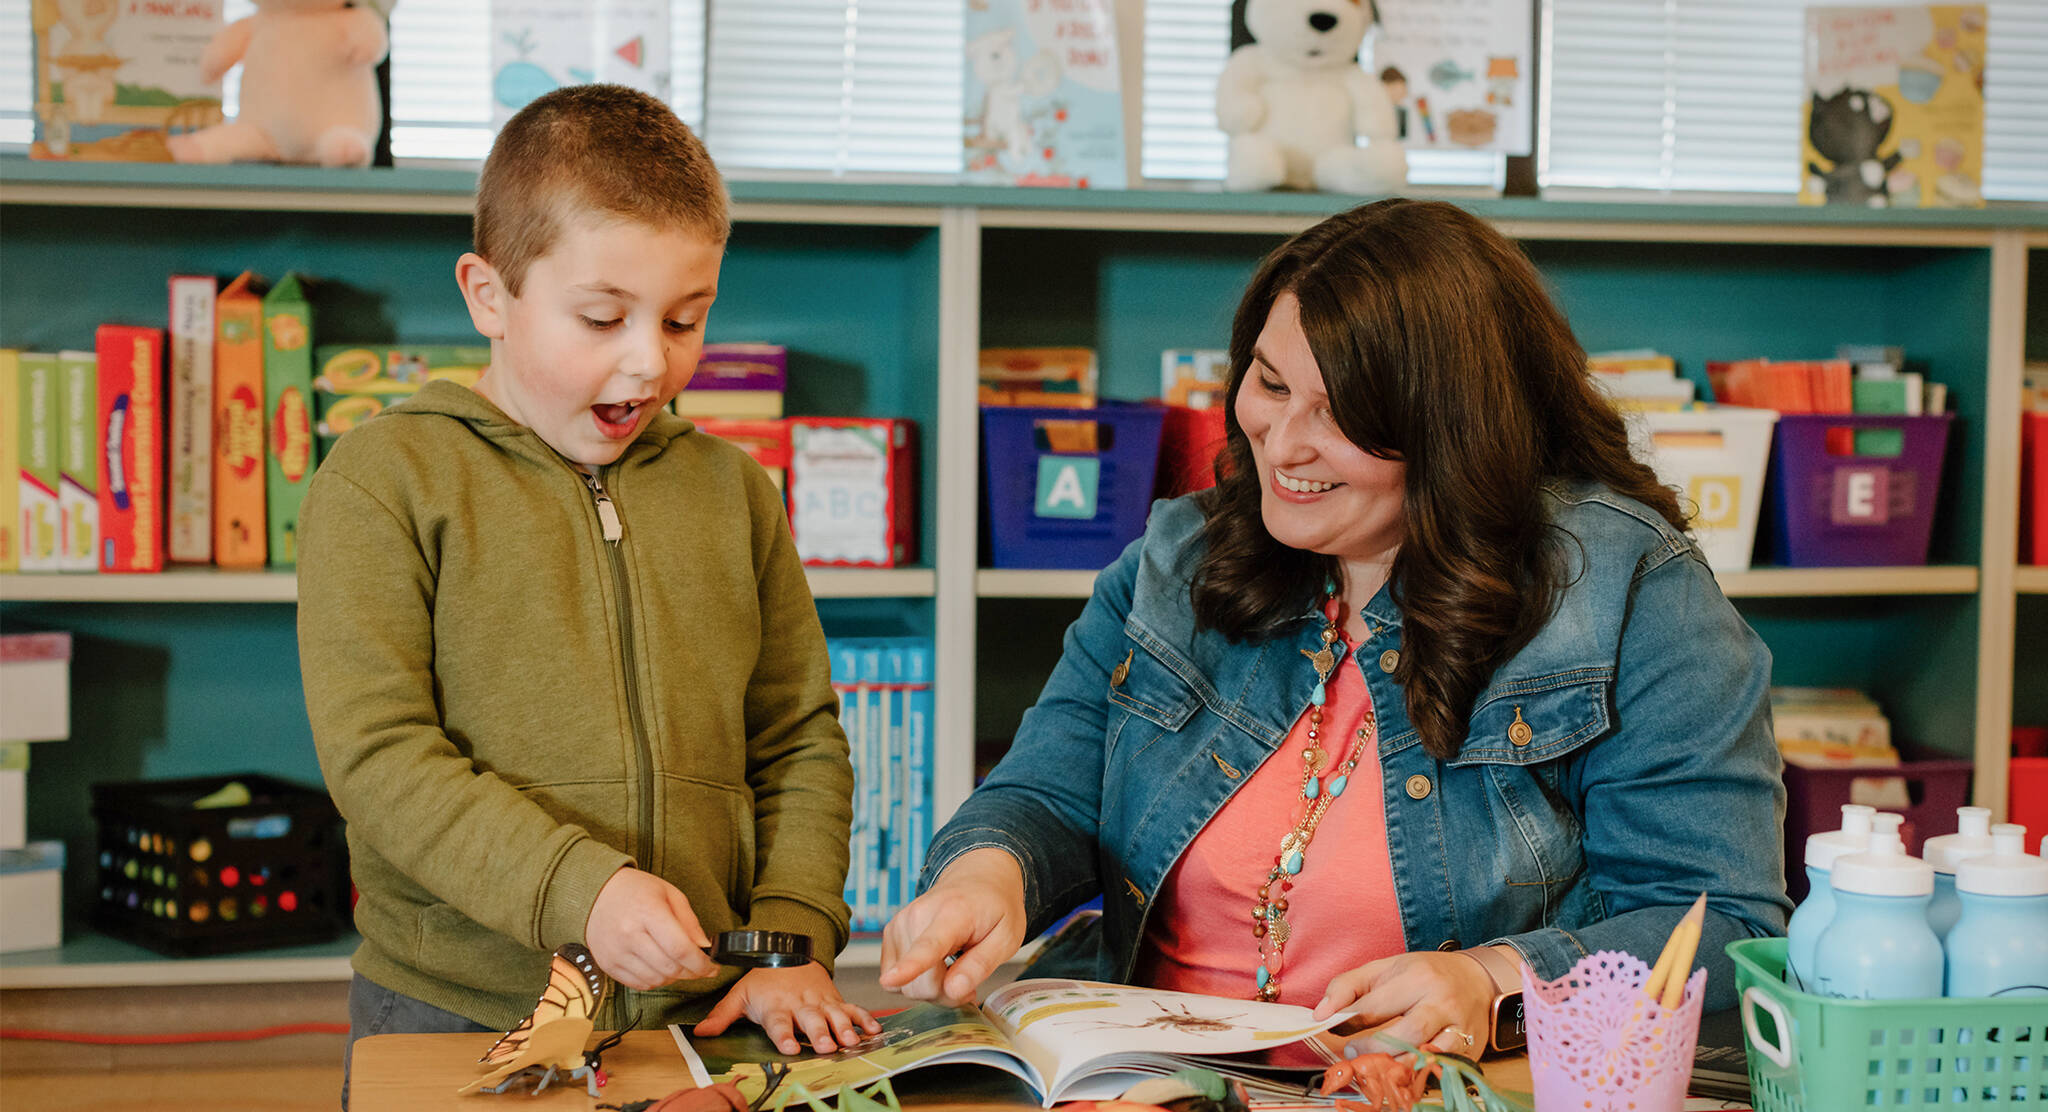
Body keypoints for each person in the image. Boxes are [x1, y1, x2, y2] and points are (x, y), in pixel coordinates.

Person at [879, 199, 1789, 1062]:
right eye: (1269, 385)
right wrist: (988, 874)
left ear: (1454, 432)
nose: (1282, 445)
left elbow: (1721, 926)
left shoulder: (1629, 588)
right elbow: (1048, 791)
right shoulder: (1181, 556)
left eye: (1344, 418)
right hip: (1140, 1079)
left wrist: (1492, 984)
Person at [299, 84, 878, 1105]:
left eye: (685, 318)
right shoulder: (381, 480)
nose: (649, 360)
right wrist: (582, 887)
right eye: (602, 317)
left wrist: (789, 936)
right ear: (489, 295)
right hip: (457, 1010)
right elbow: (381, 758)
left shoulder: (732, 491)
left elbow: (796, 736)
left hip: (702, 1019)